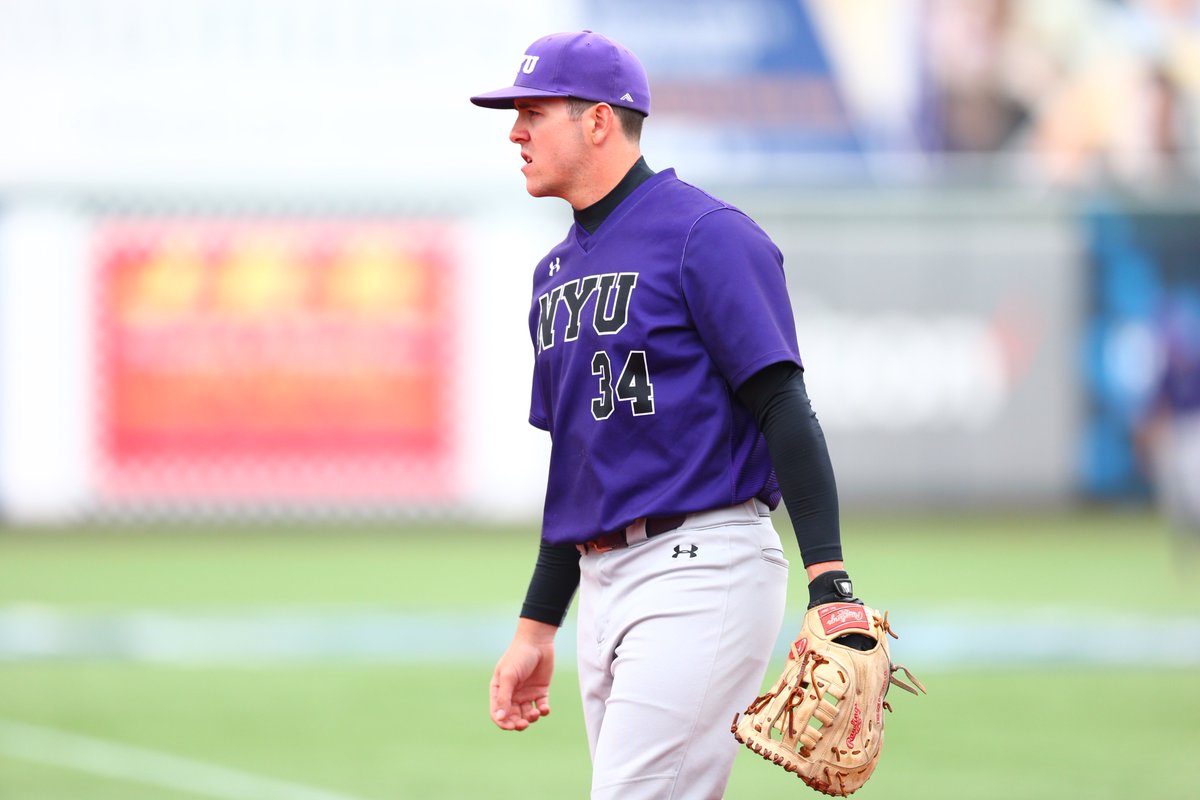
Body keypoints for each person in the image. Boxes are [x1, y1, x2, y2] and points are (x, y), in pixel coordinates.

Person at [470, 31, 857, 799]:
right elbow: (578, 464)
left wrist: (830, 582)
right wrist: (538, 625)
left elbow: (782, 401)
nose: (514, 131)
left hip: (703, 566)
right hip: (603, 579)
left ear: (598, 121)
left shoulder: (704, 235)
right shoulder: (553, 275)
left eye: (532, 112)